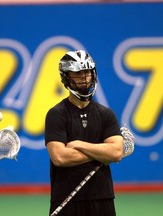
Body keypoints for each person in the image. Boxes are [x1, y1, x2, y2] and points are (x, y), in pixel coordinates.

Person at [45, 50, 124, 216]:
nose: (84, 78)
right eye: (78, 74)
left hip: (102, 198)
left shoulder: (106, 114)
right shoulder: (56, 114)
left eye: (87, 73)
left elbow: (116, 152)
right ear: (66, 77)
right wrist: (102, 152)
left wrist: (80, 145)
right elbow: (60, 157)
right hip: (66, 198)